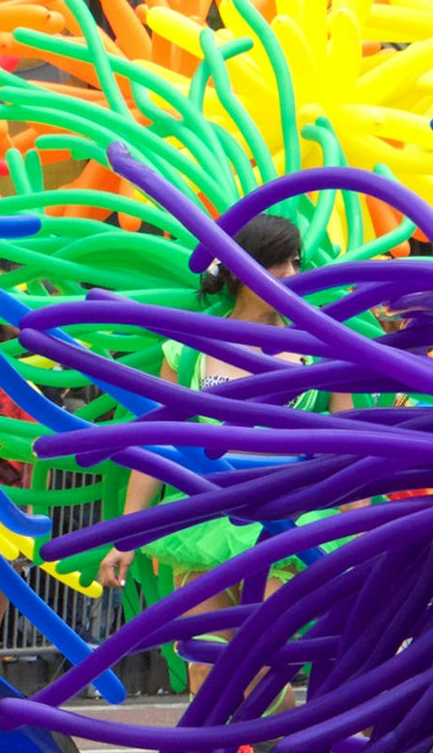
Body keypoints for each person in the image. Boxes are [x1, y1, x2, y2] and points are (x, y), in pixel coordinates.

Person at [97, 213, 309, 597]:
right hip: (205, 520)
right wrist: (126, 535)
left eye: (297, 260)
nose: (292, 272)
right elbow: (158, 442)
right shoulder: (187, 351)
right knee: (204, 657)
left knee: (266, 652)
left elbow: (353, 445)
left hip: (286, 523)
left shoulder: (321, 351)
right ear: (242, 266)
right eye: (279, 259)